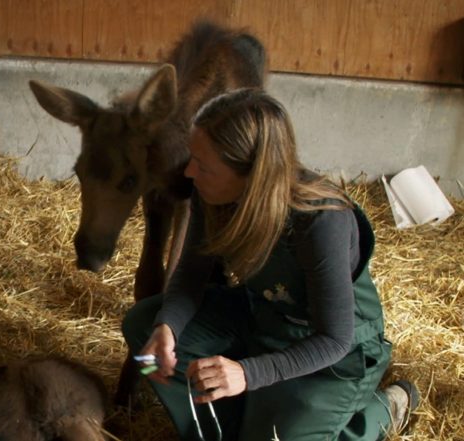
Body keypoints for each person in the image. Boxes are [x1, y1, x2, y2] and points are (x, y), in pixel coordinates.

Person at [122, 88, 419, 440]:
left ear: (251, 175)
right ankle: (220, 430)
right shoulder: (212, 193)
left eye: (203, 165)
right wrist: (166, 328)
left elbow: (335, 338)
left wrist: (247, 374)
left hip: (333, 354)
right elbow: (190, 275)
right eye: (192, 157)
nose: (189, 171)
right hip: (262, 317)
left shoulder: (320, 219)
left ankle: (387, 407)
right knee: (141, 323)